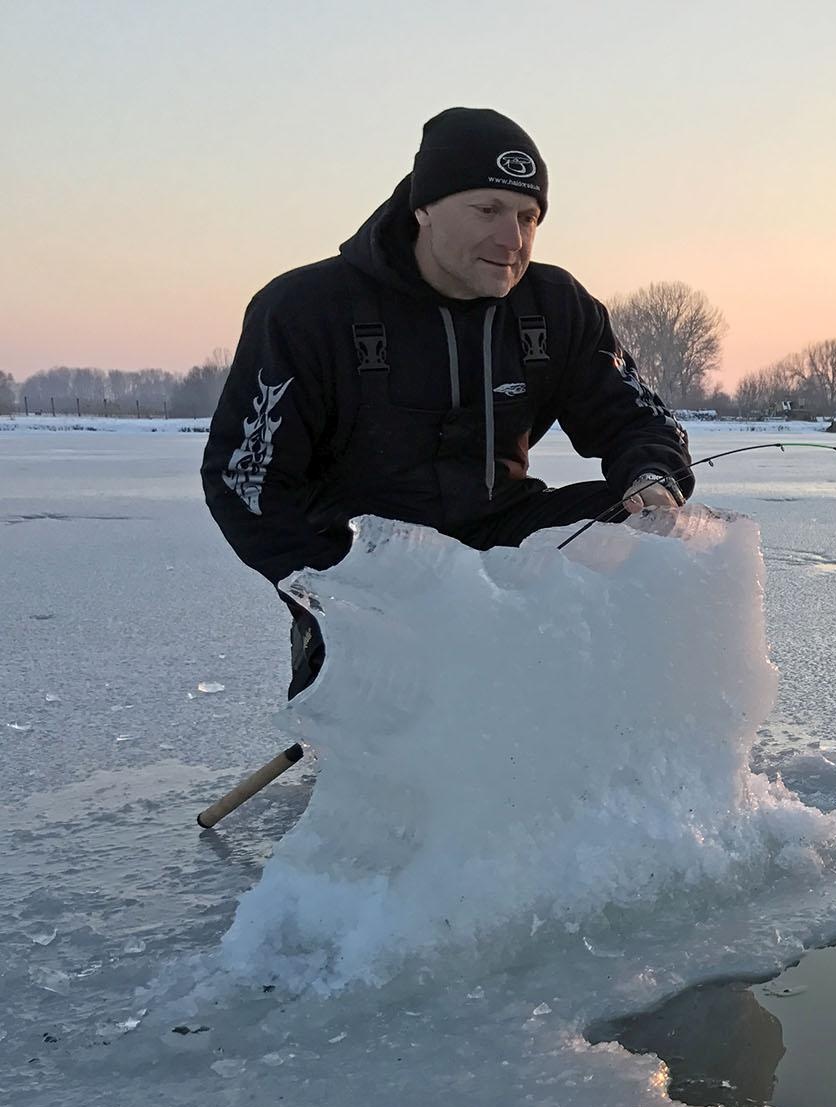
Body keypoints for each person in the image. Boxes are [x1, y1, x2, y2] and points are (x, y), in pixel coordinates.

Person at [200, 107, 694, 695]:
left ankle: (610, 722)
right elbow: (245, 479)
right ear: (424, 208)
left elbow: (635, 419)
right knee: (385, 749)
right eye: (487, 209)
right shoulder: (306, 310)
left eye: (528, 216)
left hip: (501, 534)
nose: (513, 240)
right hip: (365, 557)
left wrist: (653, 475)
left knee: (631, 522)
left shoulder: (555, 307)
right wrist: (337, 591)